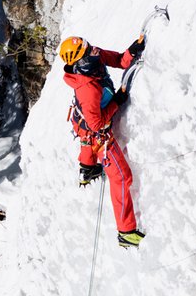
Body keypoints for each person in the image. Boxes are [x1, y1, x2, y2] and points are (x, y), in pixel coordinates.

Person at [60, 35, 146, 248]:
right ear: (81, 61)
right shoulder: (87, 89)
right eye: (87, 50)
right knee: (122, 177)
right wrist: (116, 101)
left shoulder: (93, 58)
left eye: (88, 45)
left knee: (87, 139)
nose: (93, 49)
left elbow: (118, 61)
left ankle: (88, 169)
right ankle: (126, 232)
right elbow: (96, 125)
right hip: (98, 134)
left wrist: (132, 51)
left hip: (86, 123)